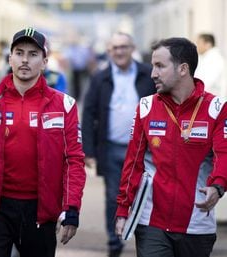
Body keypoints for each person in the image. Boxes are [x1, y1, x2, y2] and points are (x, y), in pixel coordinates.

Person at [0, 27, 86, 257]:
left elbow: (74, 160)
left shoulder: (64, 105)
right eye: (19, 52)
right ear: (10, 58)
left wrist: (71, 208)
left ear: (44, 62)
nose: (25, 59)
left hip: (41, 211)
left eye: (33, 54)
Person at [115, 37, 227, 257]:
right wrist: (122, 209)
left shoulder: (217, 108)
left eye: (160, 66)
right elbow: (132, 164)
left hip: (196, 224)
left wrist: (218, 186)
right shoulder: (146, 107)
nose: (153, 73)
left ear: (183, 68)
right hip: (150, 222)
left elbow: (224, 154)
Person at [81, 32, 156, 257]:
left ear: (132, 48)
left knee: (149, 194)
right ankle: (115, 241)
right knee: (114, 195)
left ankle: (150, 241)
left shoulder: (147, 74)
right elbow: (88, 113)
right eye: (115, 48)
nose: (119, 51)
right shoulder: (100, 77)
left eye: (124, 47)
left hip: (146, 150)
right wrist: (89, 150)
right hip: (111, 147)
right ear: (109, 50)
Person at [195, 33, 227, 98]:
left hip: (212, 100)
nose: (196, 46)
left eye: (198, 43)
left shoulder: (215, 59)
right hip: (206, 98)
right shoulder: (205, 58)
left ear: (208, 44)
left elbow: (206, 83)